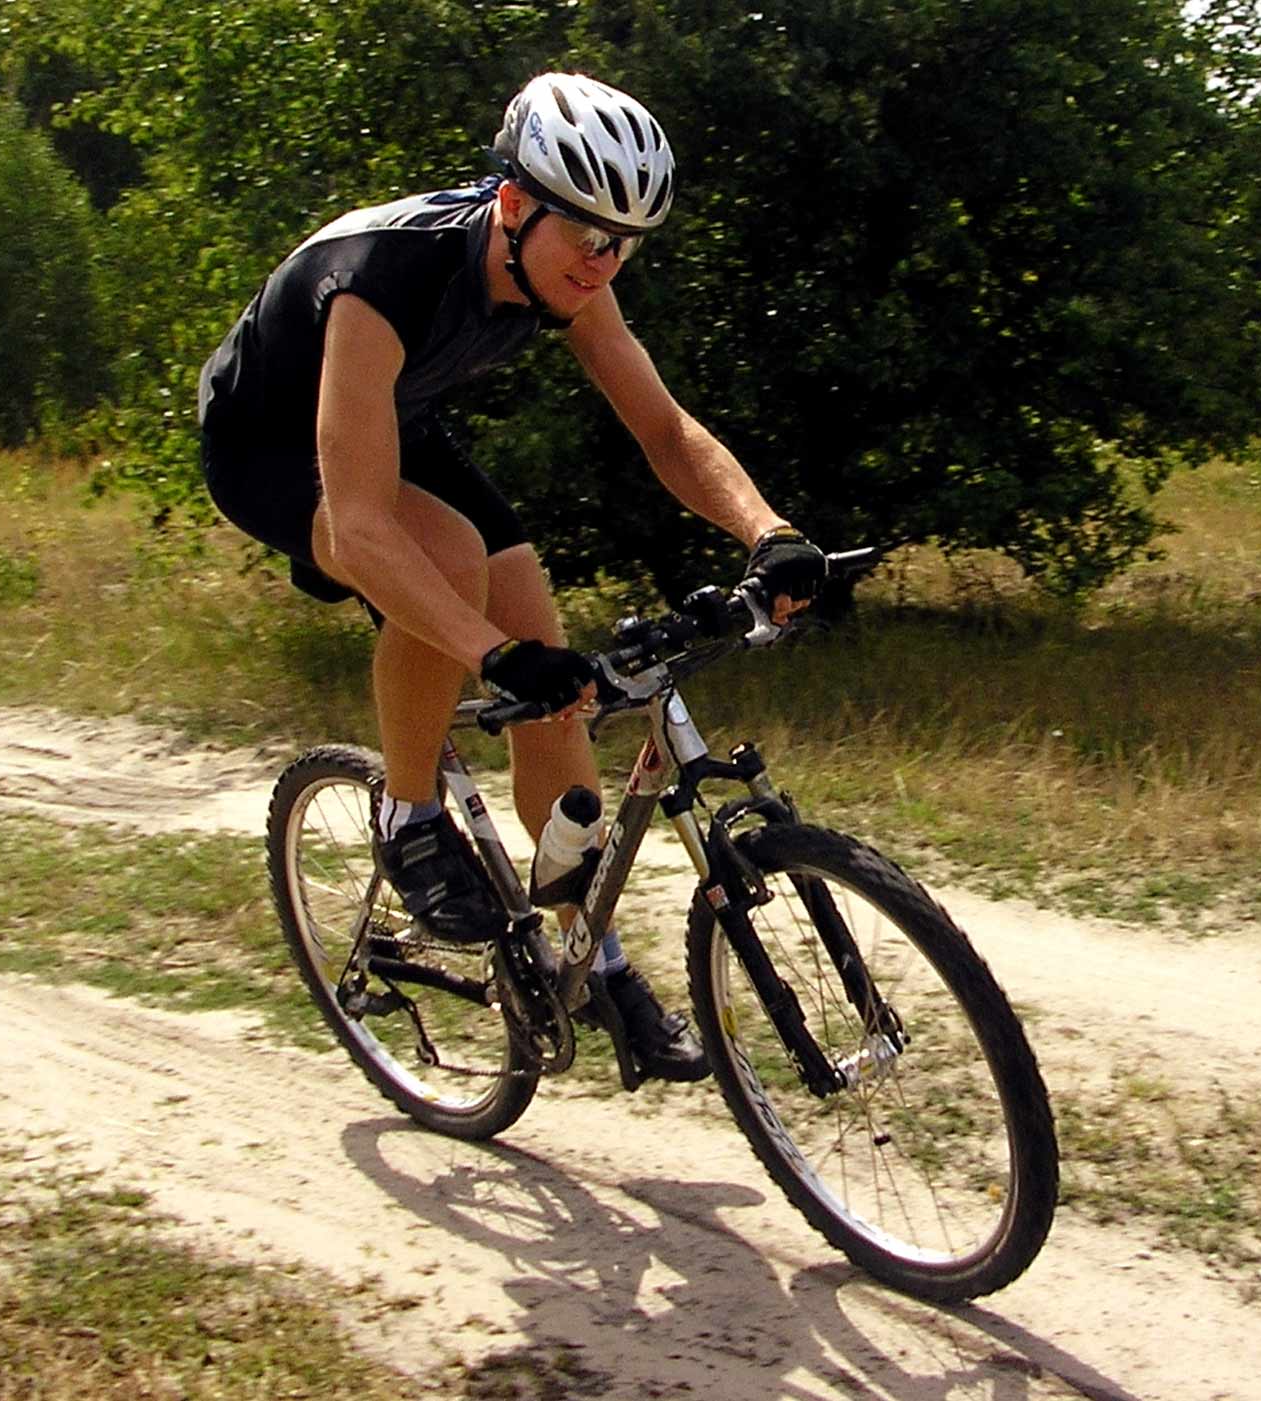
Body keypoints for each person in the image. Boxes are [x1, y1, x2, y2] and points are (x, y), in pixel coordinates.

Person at [197, 72, 827, 1083]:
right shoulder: (381, 281)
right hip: (267, 443)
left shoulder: (567, 272)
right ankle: (410, 821)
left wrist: (771, 532)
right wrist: (491, 656)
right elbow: (360, 530)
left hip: (396, 420)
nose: (603, 261)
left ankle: (599, 962)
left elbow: (664, 431)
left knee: (557, 692)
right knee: (445, 565)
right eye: (586, 236)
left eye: (624, 244)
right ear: (514, 204)